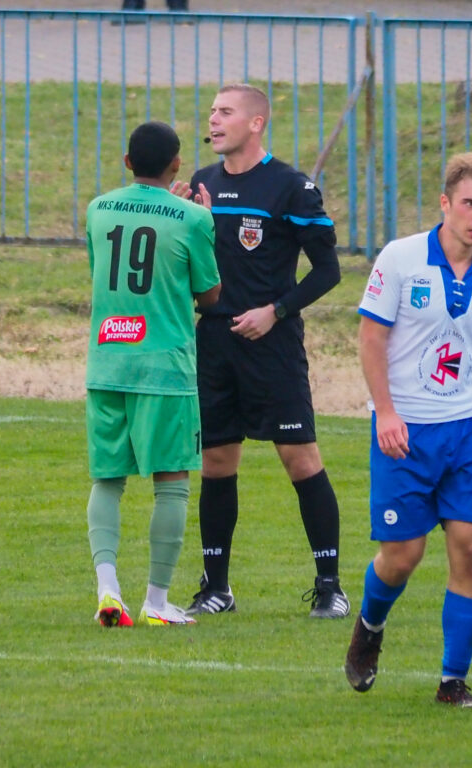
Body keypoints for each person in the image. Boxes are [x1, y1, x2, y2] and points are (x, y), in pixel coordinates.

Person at [344, 152, 472, 708]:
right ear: (445, 203)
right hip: (405, 431)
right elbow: (370, 338)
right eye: (470, 203)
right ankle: (370, 626)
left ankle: (452, 682)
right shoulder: (401, 258)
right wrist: (386, 412)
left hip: (470, 429)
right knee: (402, 557)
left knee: (470, 547)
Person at [171, 83, 349, 619]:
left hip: (273, 349)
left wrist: (277, 310)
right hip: (214, 344)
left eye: (225, 112)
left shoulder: (291, 187)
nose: (213, 119)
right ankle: (216, 588)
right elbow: (193, 264)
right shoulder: (201, 182)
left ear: (255, 123)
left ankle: (330, 587)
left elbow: (328, 271)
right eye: (211, 111)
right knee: (216, 462)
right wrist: (182, 219)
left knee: (300, 459)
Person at [84, 121, 221, 628]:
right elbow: (210, 296)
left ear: (127, 162)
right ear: (177, 165)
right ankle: (157, 602)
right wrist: (203, 222)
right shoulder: (193, 218)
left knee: (107, 480)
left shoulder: (99, 209)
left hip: (107, 362)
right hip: (163, 367)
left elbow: (102, 272)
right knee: (172, 483)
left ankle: (108, 590)